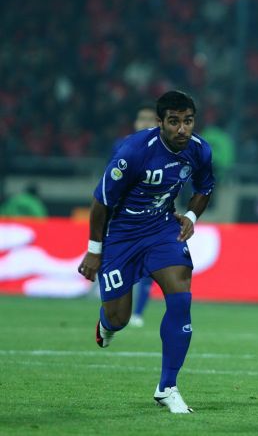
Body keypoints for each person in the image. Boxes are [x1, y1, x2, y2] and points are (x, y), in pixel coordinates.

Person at [77, 90, 214, 414]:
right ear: (160, 122)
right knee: (118, 318)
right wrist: (94, 251)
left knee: (181, 295)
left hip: (162, 229)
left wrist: (191, 216)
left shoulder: (199, 149)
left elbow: (204, 187)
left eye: (188, 121)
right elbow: (101, 202)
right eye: (174, 122)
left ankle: (167, 387)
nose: (182, 129)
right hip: (122, 235)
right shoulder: (134, 152)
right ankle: (106, 324)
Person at [125, 104, 160, 328]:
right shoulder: (122, 146)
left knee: (148, 269)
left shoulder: (168, 149)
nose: (145, 123)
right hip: (125, 217)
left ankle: (137, 314)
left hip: (154, 218)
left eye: (150, 119)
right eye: (141, 118)